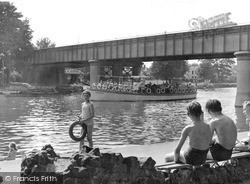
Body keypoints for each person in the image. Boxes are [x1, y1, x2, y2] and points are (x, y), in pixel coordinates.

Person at [165, 101, 212, 165]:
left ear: (188, 114)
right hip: (202, 159)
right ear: (201, 113)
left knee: (167, 157)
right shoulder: (208, 126)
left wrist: (177, 161)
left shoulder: (188, 128)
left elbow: (177, 150)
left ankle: (166, 173)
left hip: (191, 159)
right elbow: (208, 143)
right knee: (186, 152)